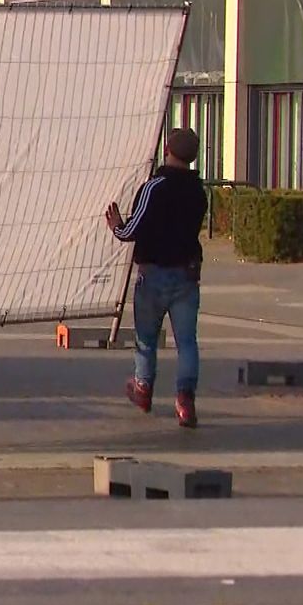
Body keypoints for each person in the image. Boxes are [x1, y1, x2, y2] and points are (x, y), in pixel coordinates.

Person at [105, 128, 208, 428]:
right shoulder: (198, 192)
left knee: (146, 340)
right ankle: (185, 401)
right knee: (187, 342)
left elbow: (131, 231)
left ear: (167, 149)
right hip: (187, 275)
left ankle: (143, 389)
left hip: (153, 275)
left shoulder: (154, 187)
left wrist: (116, 225)